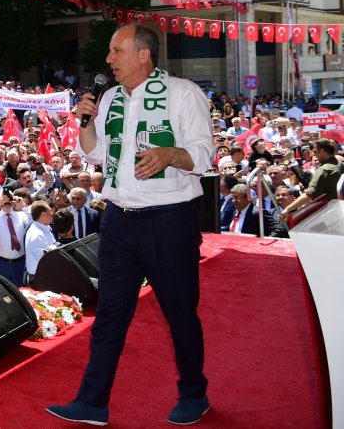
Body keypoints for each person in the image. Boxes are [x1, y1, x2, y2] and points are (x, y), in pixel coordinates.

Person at [47, 25, 214, 426]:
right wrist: (84, 120)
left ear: (143, 55)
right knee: (109, 315)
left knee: (180, 314)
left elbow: (205, 156)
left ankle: (194, 394)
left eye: (116, 51)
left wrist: (172, 153)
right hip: (119, 220)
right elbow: (95, 155)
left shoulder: (182, 93)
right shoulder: (110, 99)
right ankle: (92, 402)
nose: (108, 60)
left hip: (169, 220)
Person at [280, 138, 343, 220]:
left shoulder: (324, 169)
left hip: (332, 215)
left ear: (323, 152)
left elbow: (309, 194)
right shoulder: (340, 165)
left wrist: (288, 209)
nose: (314, 155)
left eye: (315, 151)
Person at [220, 184, 287, 237]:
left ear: (247, 198)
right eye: (232, 198)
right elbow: (235, 228)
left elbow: (281, 229)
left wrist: (264, 241)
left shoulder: (258, 213)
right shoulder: (236, 211)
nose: (234, 201)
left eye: (237, 198)